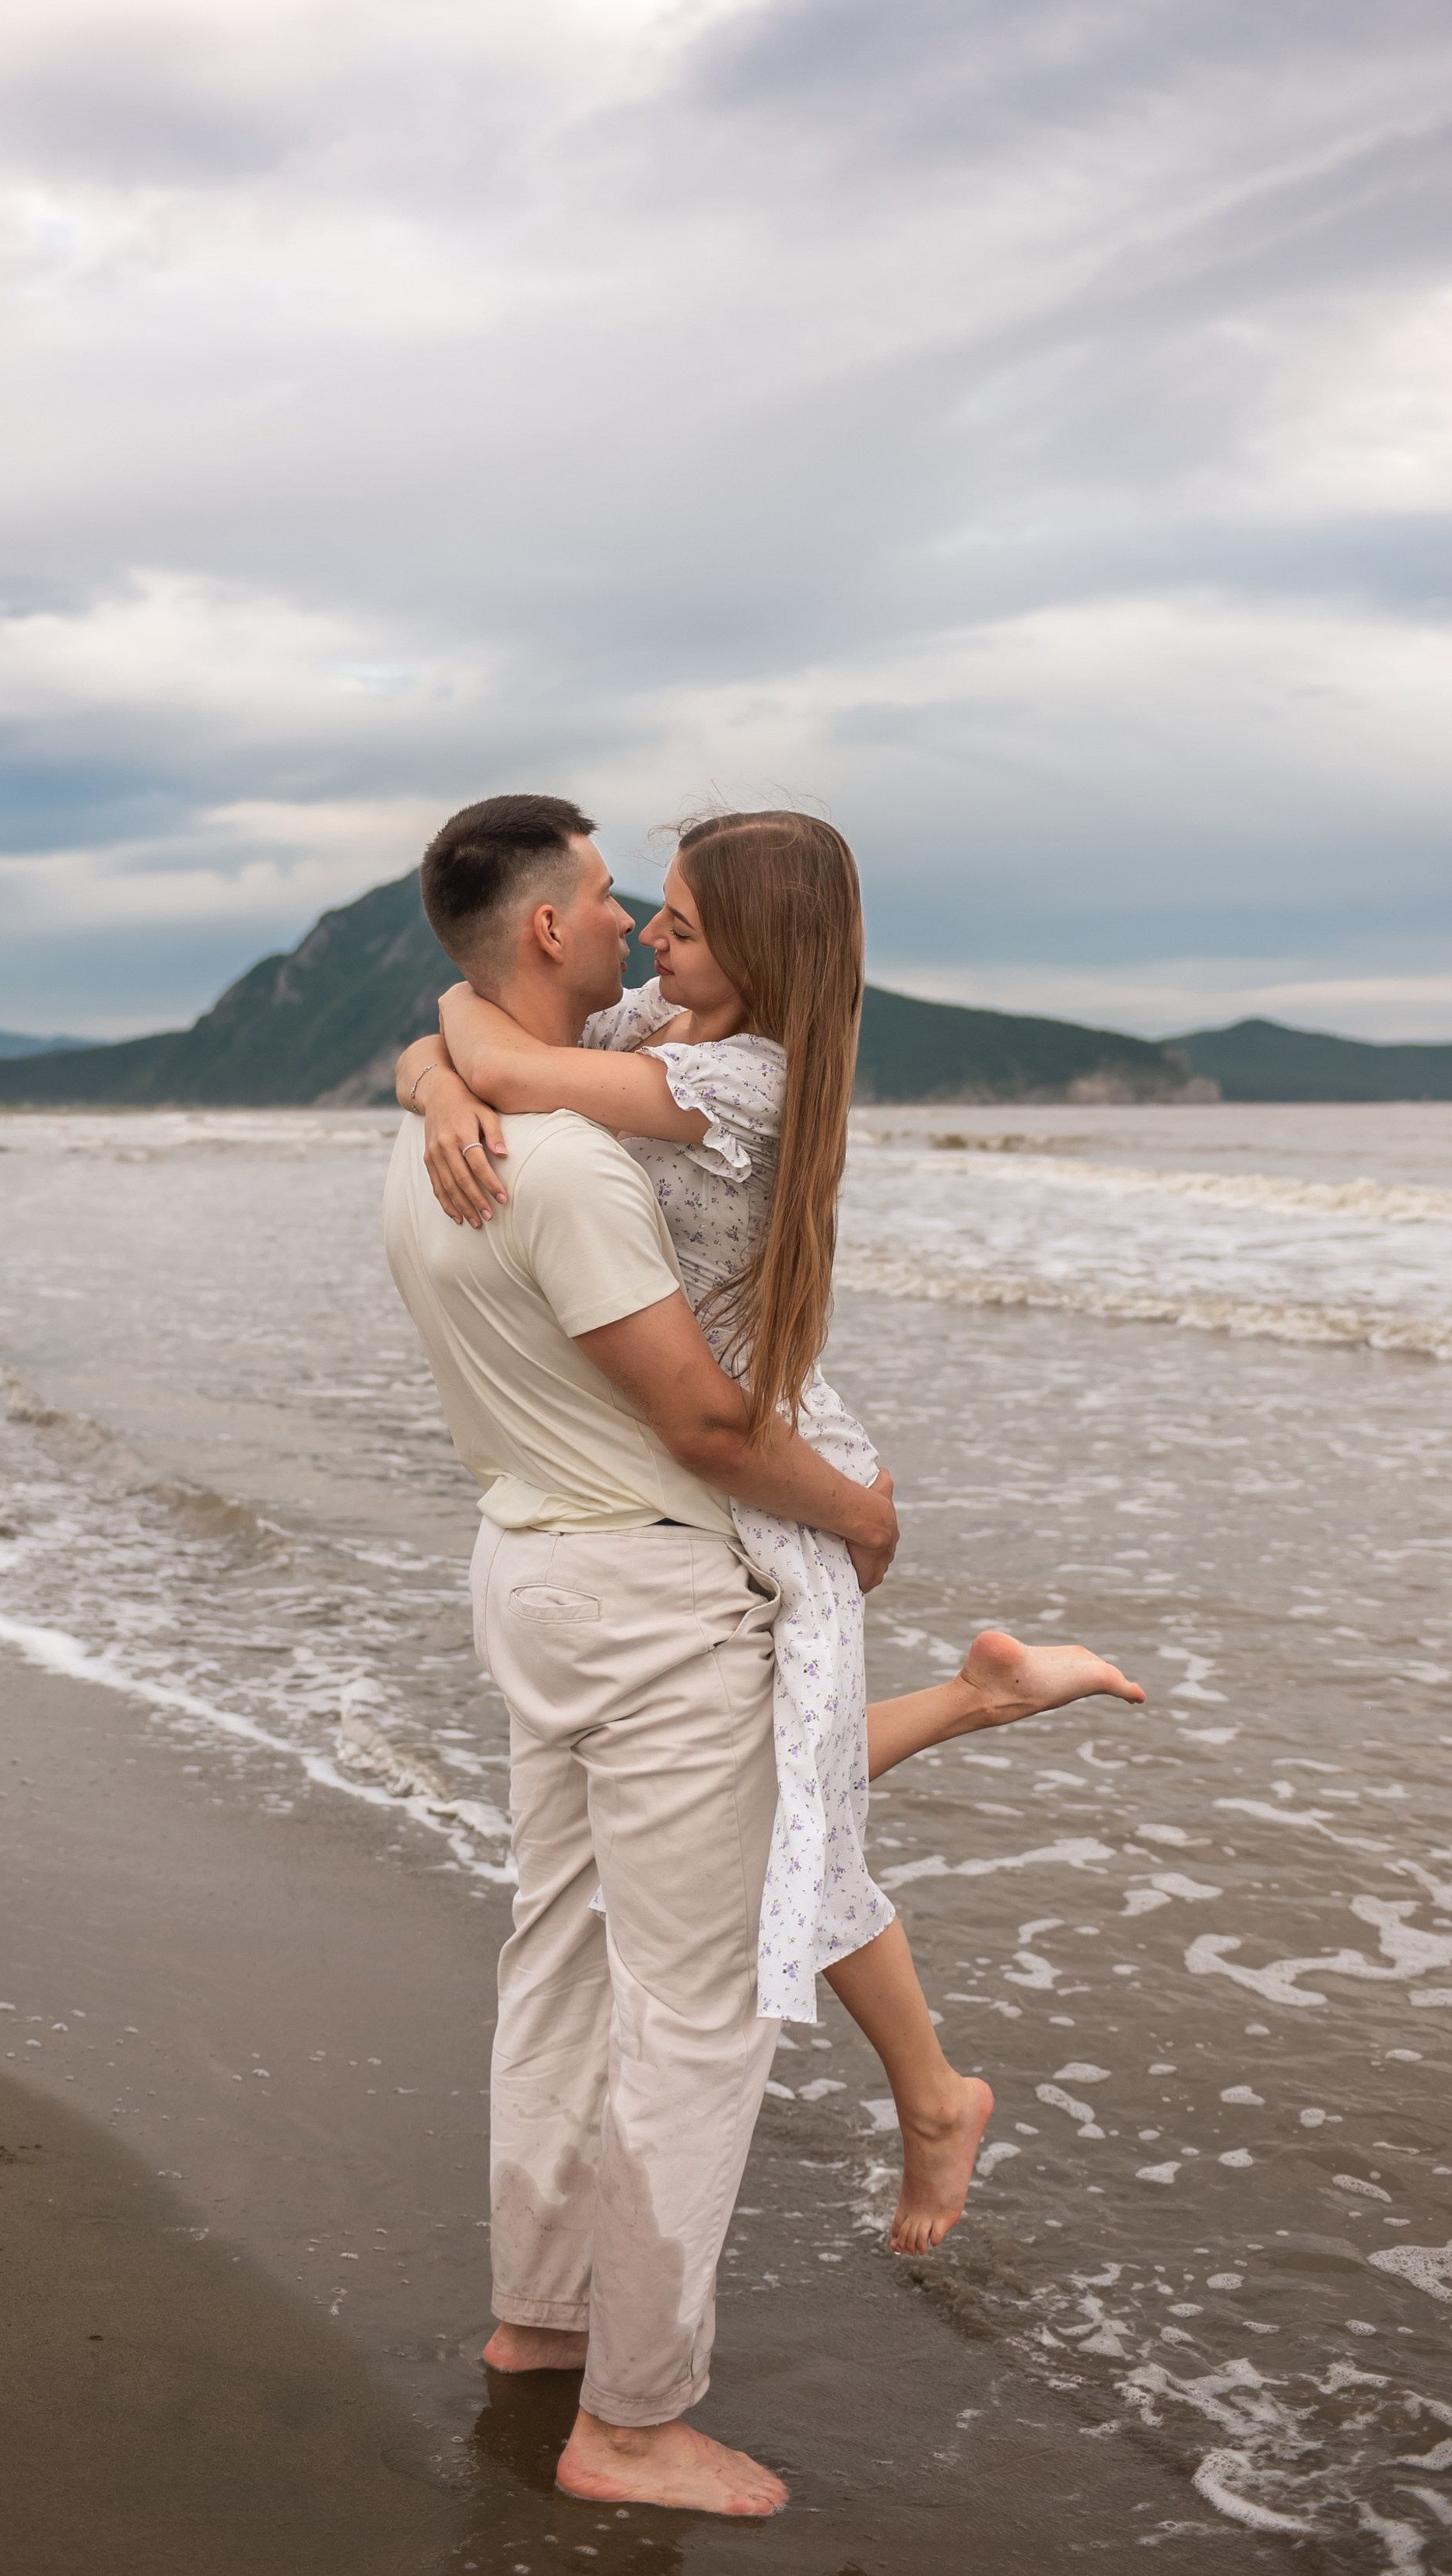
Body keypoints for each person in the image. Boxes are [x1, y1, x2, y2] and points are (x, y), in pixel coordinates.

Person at [399, 809, 1145, 2266]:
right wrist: (433, 1087)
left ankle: (934, 2094)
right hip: (713, 1445)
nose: (647, 936)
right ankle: (979, 1721)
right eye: (649, 910)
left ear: (753, 944)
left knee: (783, 1806)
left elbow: (497, 1056)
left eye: (677, 921)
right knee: (770, 1791)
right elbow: (455, 1020)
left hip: (769, 1456)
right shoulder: (658, 1020)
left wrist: (451, 1079)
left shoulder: (746, 1072)